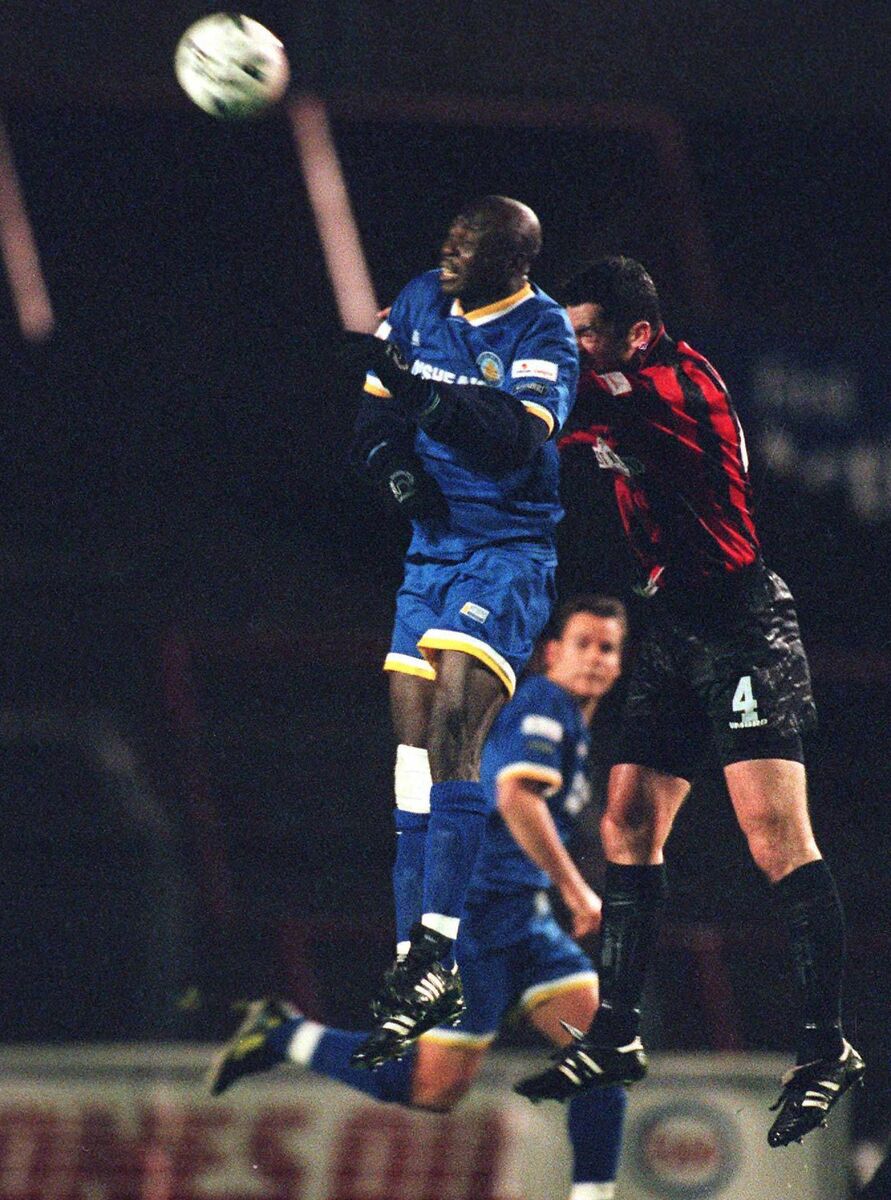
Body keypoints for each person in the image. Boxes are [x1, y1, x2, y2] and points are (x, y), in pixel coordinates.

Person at [514, 256, 864, 1149]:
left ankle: (825, 1047)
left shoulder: (668, 388)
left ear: (636, 333)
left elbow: (554, 405)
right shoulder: (616, 382)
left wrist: (449, 357)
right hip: (672, 621)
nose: (574, 346)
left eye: (586, 332)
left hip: (741, 624)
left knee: (774, 838)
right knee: (626, 820)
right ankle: (614, 1032)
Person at [208, 595, 629, 1200]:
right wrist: (578, 891)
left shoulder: (569, 721)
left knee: (603, 1050)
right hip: (477, 916)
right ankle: (281, 1033)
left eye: (607, 648)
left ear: (619, 662)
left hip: (523, 914)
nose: (594, 657)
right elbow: (516, 797)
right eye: (582, 644)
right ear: (552, 652)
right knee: (431, 1089)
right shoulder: (543, 701)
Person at [341, 196, 579, 1067]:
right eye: (447, 236)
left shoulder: (542, 331)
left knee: (452, 732)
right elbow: (374, 425)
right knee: (409, 755)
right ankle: (417, 963)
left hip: (505, 555)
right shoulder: (417, 300)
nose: (449, 250)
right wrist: (397, 473)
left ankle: (438, 945)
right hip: (431, 554)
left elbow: (513, 439)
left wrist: (421, 392)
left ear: (513, 262)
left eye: (467, 244)